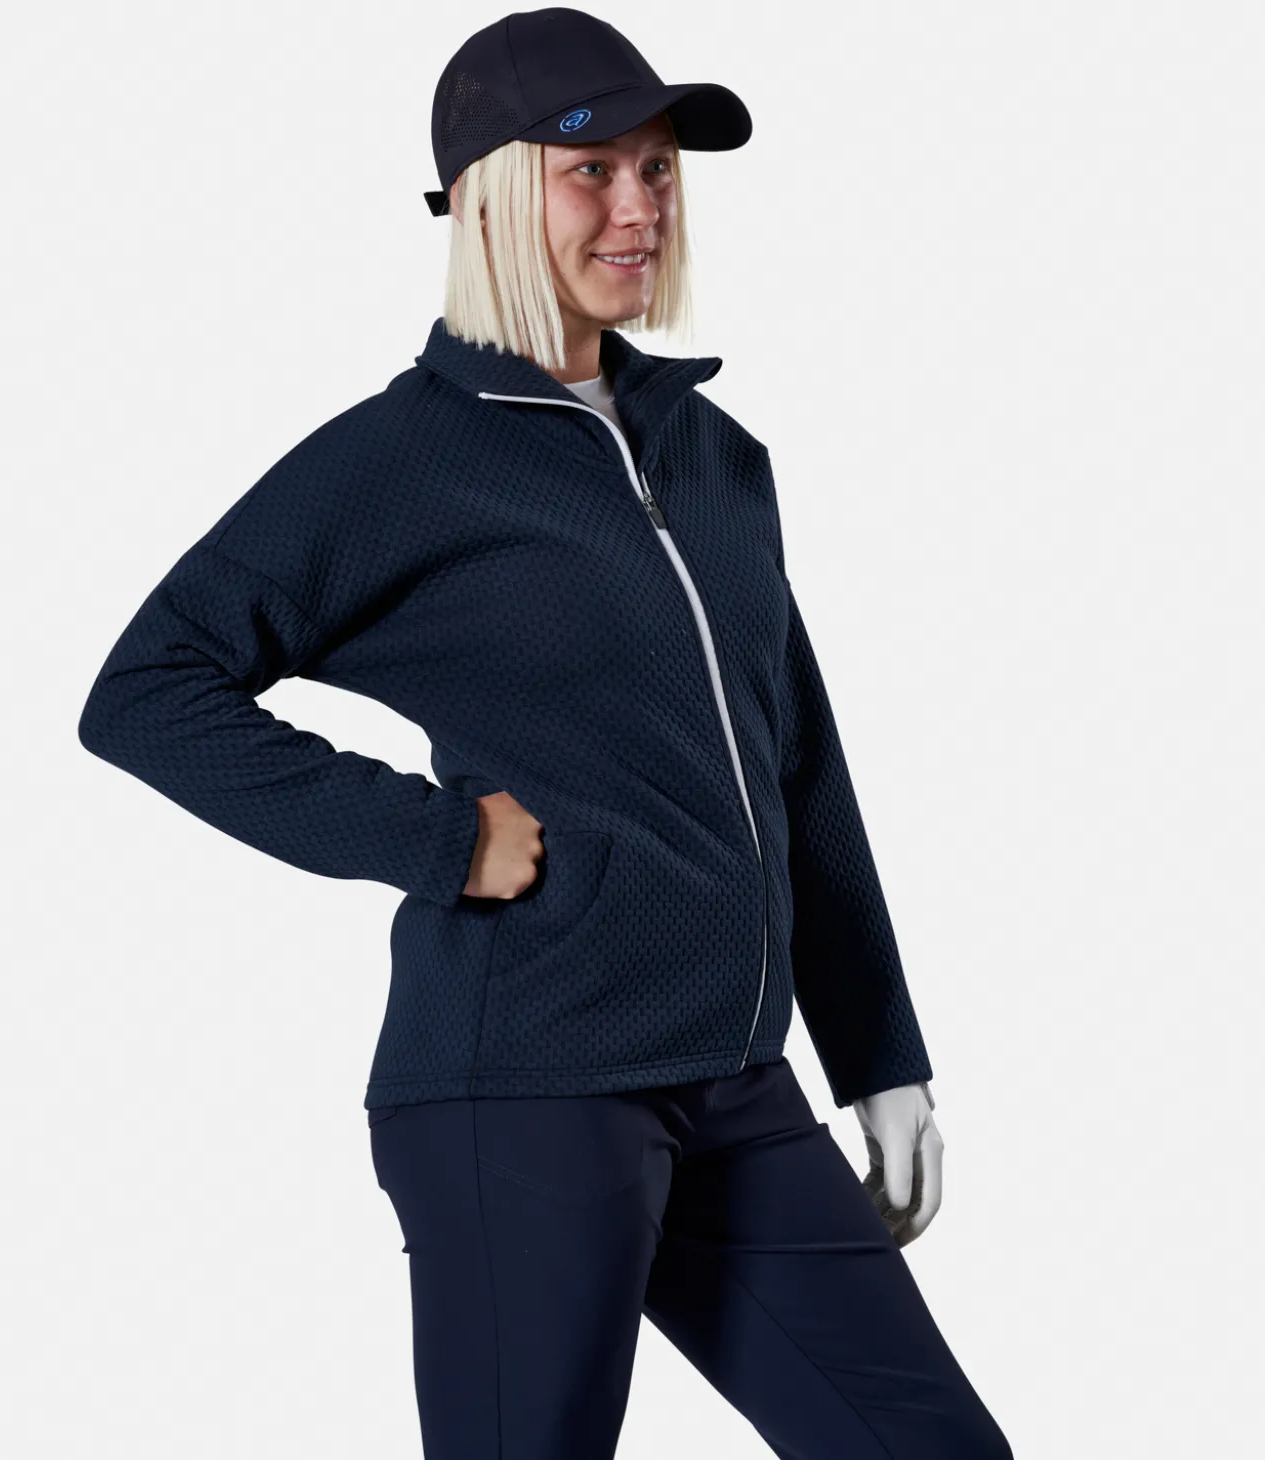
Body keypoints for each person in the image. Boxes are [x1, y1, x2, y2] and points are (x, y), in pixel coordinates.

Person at [78, 8, 1011, 1457]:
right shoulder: (402, 458)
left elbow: (801, 766)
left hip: (733, 1079)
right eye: (593, 172)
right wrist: (437, 838)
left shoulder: (714, 456)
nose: (640, 207)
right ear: (486, 198)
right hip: (524, 1086)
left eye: (658, 169)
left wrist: (878, 1048)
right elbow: (147, 691)